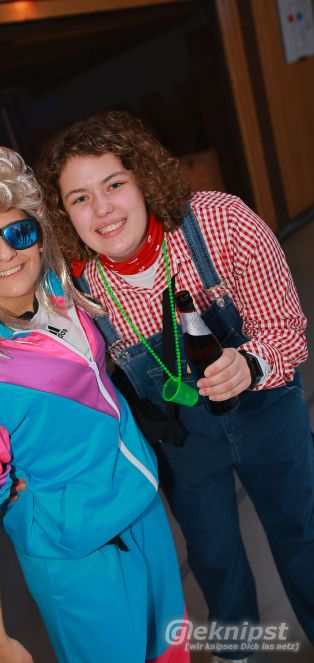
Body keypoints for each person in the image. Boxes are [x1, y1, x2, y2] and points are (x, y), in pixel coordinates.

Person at [37, 111, 314, 662]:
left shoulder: (220, 223)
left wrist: (251, 364)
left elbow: (287, 329)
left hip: (266, 411)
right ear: (64, 214)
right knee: (214, 559)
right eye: (80, 198)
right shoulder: (76, 289)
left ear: (142, 178)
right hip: (184, 445)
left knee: (303, 537)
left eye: (114, 184)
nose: (103, 209)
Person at [0, 146, 189, 663]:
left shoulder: (57, 289)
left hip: (141, 506)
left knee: (171, 652)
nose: (5, 254)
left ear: (38, 231)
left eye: (18, 233)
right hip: (79, 553)